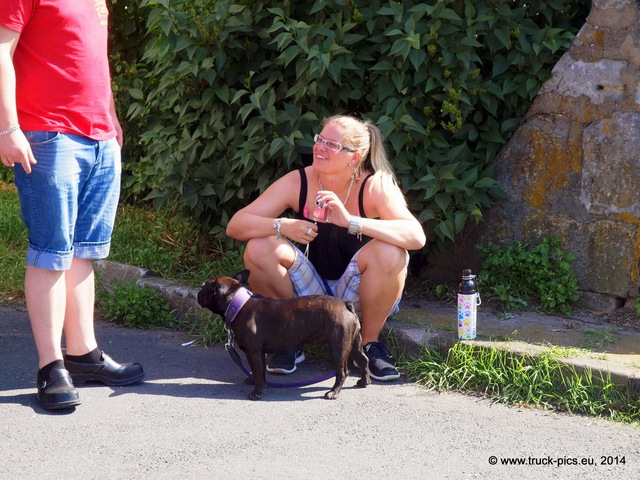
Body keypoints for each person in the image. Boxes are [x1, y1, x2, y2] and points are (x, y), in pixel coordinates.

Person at [0, 1, 144, 410]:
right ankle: (51, 367)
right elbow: (1, 53)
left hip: (99, 137)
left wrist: (112, 123)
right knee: (51, 252)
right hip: (49, 134)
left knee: (85, 252)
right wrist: (8, 127)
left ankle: (83, 355)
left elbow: (95, 62)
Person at [226, 114, 427, 381]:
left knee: (392, 252)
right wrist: (282, 225)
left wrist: (351, 222)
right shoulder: (301, 180)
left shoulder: (373, 184)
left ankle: (367, 346)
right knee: (259, 247)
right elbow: (236, 225)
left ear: (353, 157)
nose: (320, 147)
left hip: (358, 292)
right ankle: (287, 340)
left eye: (332, 145)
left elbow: (416, 236)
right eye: (319, 139)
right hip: (311, 293)